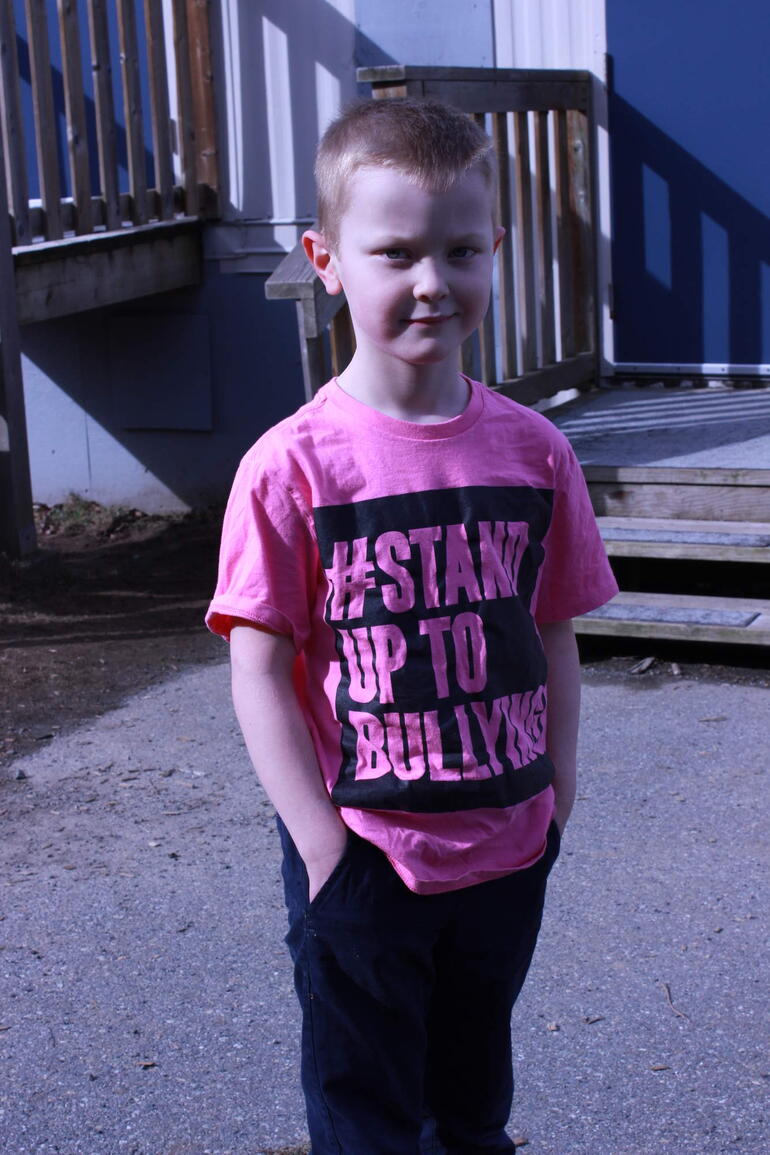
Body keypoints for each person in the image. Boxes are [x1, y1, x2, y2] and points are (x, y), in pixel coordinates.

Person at [206, 97, 618, 1155]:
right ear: (327, 261)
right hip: (364, 856)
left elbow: (553, 630)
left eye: (459, 250)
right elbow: (258, 669)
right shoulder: (292, 466)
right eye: (394, 253)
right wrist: (321, 846)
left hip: (508, 845)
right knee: (368, 1122)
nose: (432, 281)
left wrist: (558, 793)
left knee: (471, 1111)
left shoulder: (535, 451)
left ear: (495, 250)